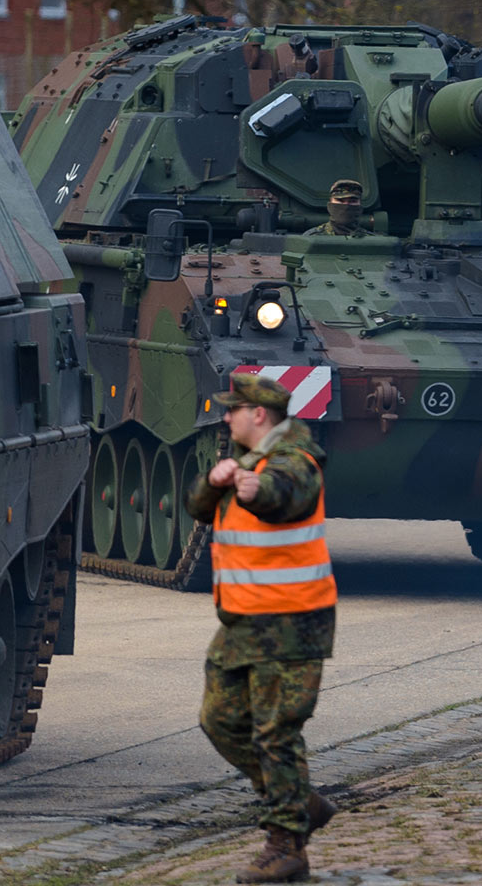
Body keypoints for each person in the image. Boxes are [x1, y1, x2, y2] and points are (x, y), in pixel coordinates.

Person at [190, 372, 339, 883]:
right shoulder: (245, 462)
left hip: (291, 623)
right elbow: (197, 507)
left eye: (233, 410)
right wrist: (215, 482)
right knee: (220, 720)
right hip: (243, 621)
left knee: (276, 733)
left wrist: (254, 490)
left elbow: (285, 497)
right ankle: (298, 801)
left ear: (259, 416)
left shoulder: (297, 462)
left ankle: (287, 844)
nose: (226, 416)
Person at [303, 178, 374, 237]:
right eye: (340, 200)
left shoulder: (372, 241)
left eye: (352, 201)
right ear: (330, 205)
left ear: (360, 206)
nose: (346, 205)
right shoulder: (312, 238)